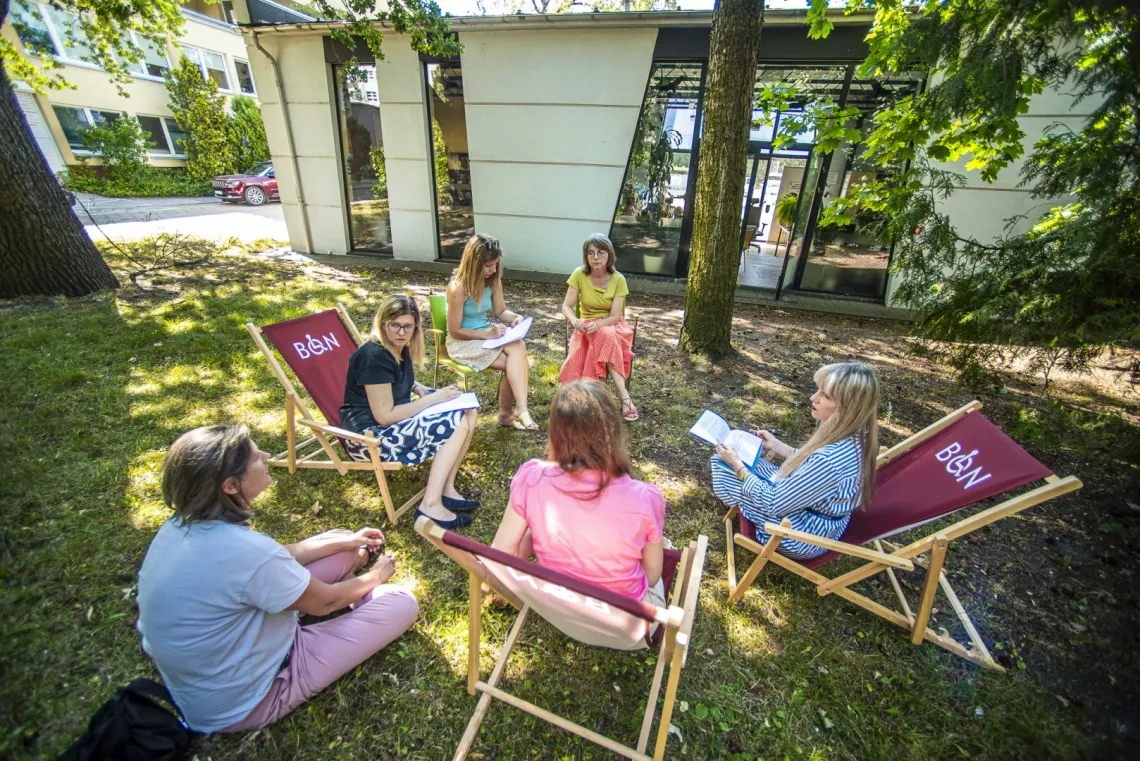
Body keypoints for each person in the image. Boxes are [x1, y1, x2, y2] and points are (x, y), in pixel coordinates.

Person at [136, 425, 419, 734]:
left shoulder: (181, 526)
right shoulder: (248, 554)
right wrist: (375, 576)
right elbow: (325, 602)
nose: (266, 455)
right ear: (230, 485)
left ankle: (351, 568)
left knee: (338, 539)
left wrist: (343, 543)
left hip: (214, 668)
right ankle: (361, 590)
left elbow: (273, 559)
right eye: (256, 458)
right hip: (248, 698)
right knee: (400, 604)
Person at [491, 380, 666, 606]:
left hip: (556, 606)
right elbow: (651, 577)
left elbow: (501, 554)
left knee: (533, 530)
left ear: (554, 433)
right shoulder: (645, 498)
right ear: (613, 434)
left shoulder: (532, 478)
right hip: (627, 626)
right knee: (658, 546)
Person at [710, 362, 880, 559]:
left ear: (848, 409)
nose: (813, 398)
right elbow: (813, 469)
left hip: (800, 535)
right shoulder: (858, 435)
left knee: (721, 466)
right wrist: (778, 447)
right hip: (823, 519)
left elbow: (773, 502)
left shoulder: (829, 461)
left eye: (825, 395)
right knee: (752, 464)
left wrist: (738, 466)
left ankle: (741, 497)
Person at [340, 294, 479, 529]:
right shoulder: (374, 357)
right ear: (382, 323)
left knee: (468, 410)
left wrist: (418, 387)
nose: (402, 332)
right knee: (455, 424)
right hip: (368, 439)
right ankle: (430, 505)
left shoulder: (397, 347)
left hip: (390, 424)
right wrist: (434, 398)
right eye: (395, 325)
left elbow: (391, 384)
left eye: (408, 326)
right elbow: (385, 416)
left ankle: (446, 487)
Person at [445, 233, 538, 431]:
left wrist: (515, 317)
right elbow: (455, 331)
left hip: (486, 336)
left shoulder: (493, 281)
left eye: (495, 264)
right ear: (473, 263)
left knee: (518, 347)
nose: (493, 269)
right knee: (515, 364)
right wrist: (487, 334)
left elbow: (500, 311)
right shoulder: (458, 288)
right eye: (488, 266)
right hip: (463, 342)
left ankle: (518, 410)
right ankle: (511, 414)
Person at [559, 233, 638, 421]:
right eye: (591, 253)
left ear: (609, 255)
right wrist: (575, 320)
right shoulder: (579, 274)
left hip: (612, 325)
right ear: (585, 256)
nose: (595, 258)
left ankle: (605, 398)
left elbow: (615, 316)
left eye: (600, 253)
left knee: (606, 335)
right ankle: (618, 399)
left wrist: (599, 324)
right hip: (585, 327)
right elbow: (566, 306)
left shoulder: (618, 279)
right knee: (602, 338)